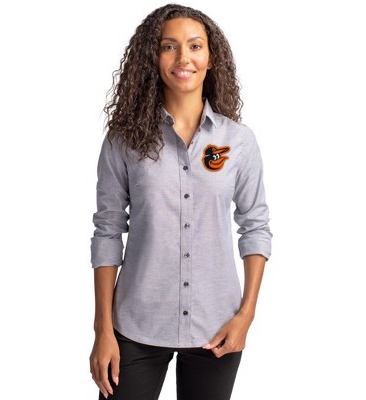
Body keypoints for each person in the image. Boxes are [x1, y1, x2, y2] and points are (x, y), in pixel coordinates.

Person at [89, 4, 273, 400]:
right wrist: (102, 329)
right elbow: (107, 230)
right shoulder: (123, 139)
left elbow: (255, 226)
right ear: (152, 58)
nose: (183, 58)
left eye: (195, 46)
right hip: (135, 325)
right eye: (168, 46)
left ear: (211, 58)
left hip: (217, 326)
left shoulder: (238, 141)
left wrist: (246, 315)